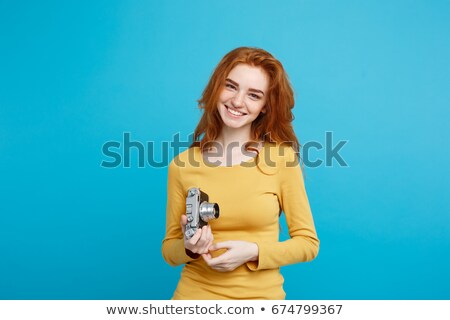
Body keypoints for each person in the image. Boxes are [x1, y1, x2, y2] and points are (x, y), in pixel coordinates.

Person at [162, 47, 319, 299]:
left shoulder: (281, 160)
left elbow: (308, 244)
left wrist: (254, 252)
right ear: (217, 88)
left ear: (266, 106)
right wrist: (190, 247)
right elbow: (169, 250)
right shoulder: (182, 165)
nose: (237, 102)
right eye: (231, 86)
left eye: (254, 95)